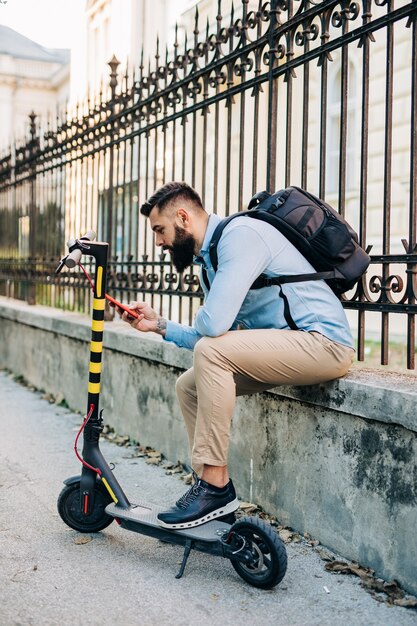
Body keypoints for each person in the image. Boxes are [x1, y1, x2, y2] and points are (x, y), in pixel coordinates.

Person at [116, 181, 354, 530]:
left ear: (182, 217)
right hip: (287, 347)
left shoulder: (240, 236)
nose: (158, 242)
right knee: (189, 386)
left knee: (210, 352)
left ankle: (215, 486)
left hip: (323, 344)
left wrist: (206, 327)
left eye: (159, 230)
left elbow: (213, 328)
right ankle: (208, 490)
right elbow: (206, 334)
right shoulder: (209, 259)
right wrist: (158, 325)